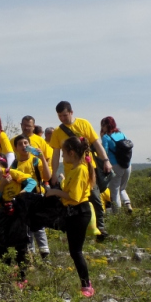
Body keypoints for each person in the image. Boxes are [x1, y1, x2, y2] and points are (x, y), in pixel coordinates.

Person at [48, 101, 113, 241]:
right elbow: (55, 155)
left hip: (89, 170)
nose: (62, 118)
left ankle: (100, 229)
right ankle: (76, 231)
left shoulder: (84, 124)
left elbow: (96, 143)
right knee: (73, 200)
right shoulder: (58, 132)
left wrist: (106, 160)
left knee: (95, 198)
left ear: (71, 112)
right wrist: (53, 173)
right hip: (71, 172)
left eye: (64, 115)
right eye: (59, 116)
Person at [45, 136, 95, 297]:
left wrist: (54, 192)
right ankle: (85, 283)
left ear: (71, 153)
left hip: (79, 212)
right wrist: (63, 181)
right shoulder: (74, 169)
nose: (62, 156)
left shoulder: (80, 169)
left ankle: (86, 285)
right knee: (74, 250)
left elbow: (74, 196)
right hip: (72, 213)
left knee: (76, 251)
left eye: (63, 153)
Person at [11, 134, 52, 260]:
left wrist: (43, 158)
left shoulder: (35, 160)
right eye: (20, 144)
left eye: (25, 143)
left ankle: (45, 254)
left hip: (36, 196)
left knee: (38, 226)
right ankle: (31, 255)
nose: (23, 146)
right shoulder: (15, 164)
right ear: (16, 148)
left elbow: (47, 177)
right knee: (26, 227)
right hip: (22, 199)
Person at [100, 116, 133, 214]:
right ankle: (128, 205)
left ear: (107, 125)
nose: (102, 128)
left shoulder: (106, 137)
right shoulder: (122, 134)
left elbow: (104, 152)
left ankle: (118, 215)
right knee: (122, 188)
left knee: (114, 191)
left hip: (115, 166)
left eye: (103, 125)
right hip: (127, 165)